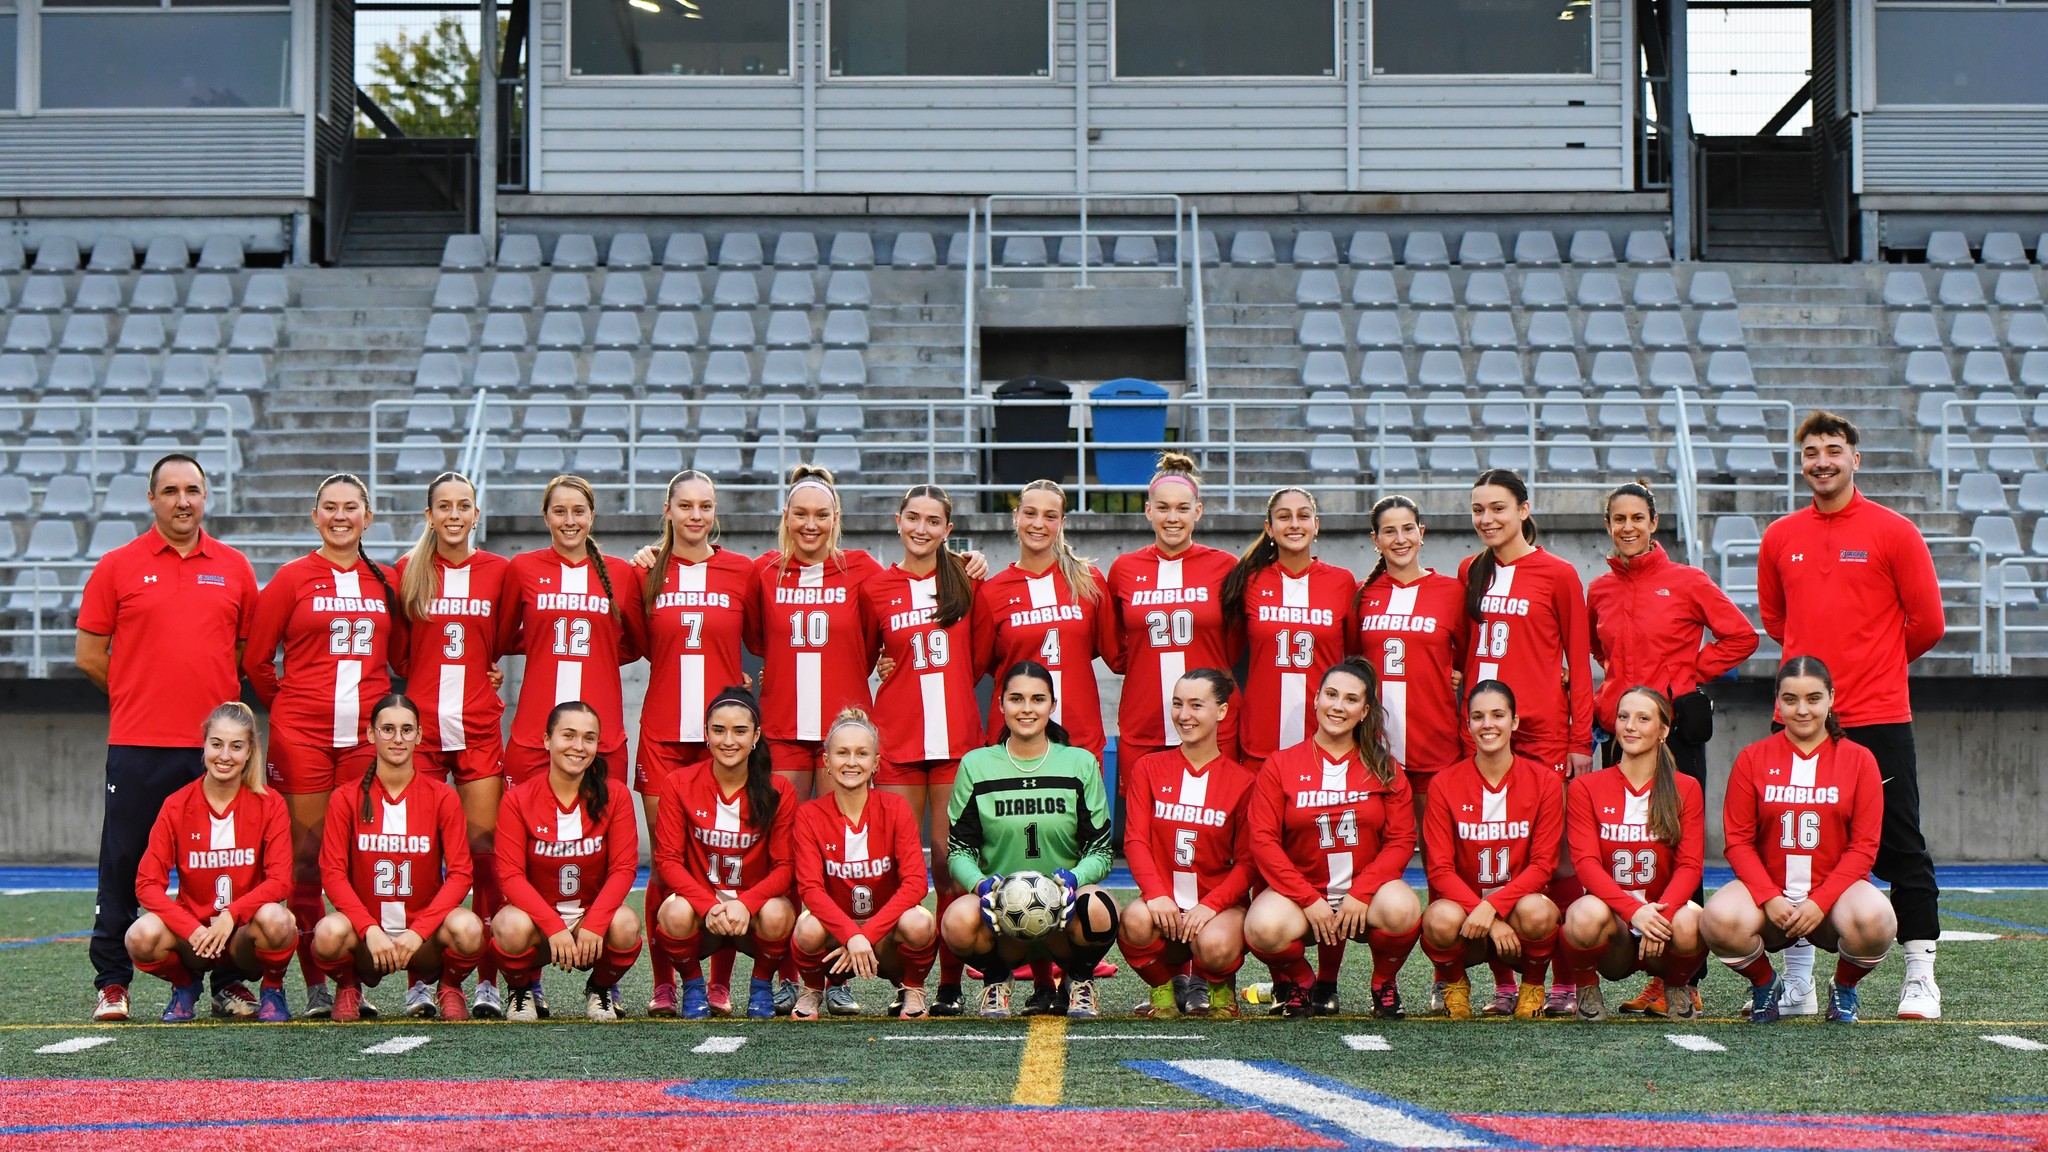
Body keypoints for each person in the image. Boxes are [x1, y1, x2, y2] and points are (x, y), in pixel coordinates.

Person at [1757, 411, 1944, 1020]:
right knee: (1794, 850)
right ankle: (1799, 981)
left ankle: (1920, 977)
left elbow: (1929, 625)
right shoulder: (1780, 536)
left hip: (1879, 716)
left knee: (1902, 844)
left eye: (1833, 450)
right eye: (1810, 451)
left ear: (1854, 459)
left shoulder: (1895, 532)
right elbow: (1780, 624)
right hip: (1802, 722)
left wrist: (1875, 665)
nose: (1821, 461)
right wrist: (1813, 692)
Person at [77, 453, 260, 1023]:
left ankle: (228, 981)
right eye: (172, 490)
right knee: (123, 862)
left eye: (194, 490)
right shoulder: (117, 566)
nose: (184, 500)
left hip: (216, 752)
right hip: (138, 744)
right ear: (151, 499)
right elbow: (89, 655)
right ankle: (112, 982)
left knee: (225, 865)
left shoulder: (234, 567)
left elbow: (241, 654)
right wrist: (140, 693)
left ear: (206, 497)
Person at [1585, 481, 1755, 1017]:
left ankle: (1683, 975)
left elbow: (1741, 636)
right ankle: (1642, 966)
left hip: (1674, 734)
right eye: (1618, 519)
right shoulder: (1600, 590)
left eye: (1638, 517)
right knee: (1626, 850)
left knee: (1677, 851)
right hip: (1619, 735)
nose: (1628, 527)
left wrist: (1685, 676)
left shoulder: (1687, 581)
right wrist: (1609, 698)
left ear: (1655, 523)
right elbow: (1597, 648)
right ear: (1609, 526)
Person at [243, 473, 402, 1017]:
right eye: (329, 507)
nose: (340, 516)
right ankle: (314, 985)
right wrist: (290, 705)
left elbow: (403, 658)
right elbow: (257, 661)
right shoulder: (290, 579)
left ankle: (351, 980)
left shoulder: (387, 581)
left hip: (365, 739)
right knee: (306, 863)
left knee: (362, 860)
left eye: (351, 507)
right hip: (303, 739)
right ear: (315, 517)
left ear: (368, 516)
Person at [1458, 469, 1591, 1016]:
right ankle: (1505, 985)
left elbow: (1578, 665)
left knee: (1555, 864)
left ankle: (1561, 983)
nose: (1487, 519)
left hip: (1542, 736)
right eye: (1478, 510)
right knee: (1492, 856)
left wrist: (1580, 738)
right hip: (1483, 734)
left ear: (1524, 509)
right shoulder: (1470, 569)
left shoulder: (1558, 575)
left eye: (1498, 508)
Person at [1702, 657, 1896, 1024]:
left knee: (1878, 920)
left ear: (1831, 699)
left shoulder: (1859, 760)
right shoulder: (1753, 757)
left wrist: (1820, 901)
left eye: (1813, 698)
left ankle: (1843, 987)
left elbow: (1865, 846)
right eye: (1790, 699)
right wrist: (1769, 897)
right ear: (1778, 702)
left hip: (1834, 898)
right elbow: (1738, 842)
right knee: (1718, 918)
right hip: (1771, 897)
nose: (1802, 709)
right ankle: (1765, 984)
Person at [632, 470, 760, 1017]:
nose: (695, 516)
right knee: (668, 865)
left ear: (716, 512)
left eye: (705, 505)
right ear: (667, 509)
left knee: (729, 859)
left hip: (724, 739)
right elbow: (636, 644)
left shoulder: (743, 571)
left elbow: (762, 637)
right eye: (684, 505)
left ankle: (721, 982)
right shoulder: (644, 572)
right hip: (663, 736)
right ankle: (668, 980)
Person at [391, 471, 514, 1018]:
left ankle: (485, 978)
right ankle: (422, 978)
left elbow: (505, 640)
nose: (455, 515)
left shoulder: (500, 573)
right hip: (421, 734)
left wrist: (485, 676)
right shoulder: (407, 573)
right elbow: (399, 655)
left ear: (476, 513)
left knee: (484, 857)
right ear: (430, 515)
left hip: (479, 729)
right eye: (444, 506)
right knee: (421, 856)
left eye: (464, 505)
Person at [1244, 658, 1421, 1020]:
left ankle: (1383, 983)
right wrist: (1307, 898)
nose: (1338, 706)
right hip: (1303, 896)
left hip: (1365, 896)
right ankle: (1302, 981)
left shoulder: (1385, 768)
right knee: (1262, 927)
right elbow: (1263, 841)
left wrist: (1363, 891)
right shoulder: (1280, 765)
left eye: (1351, 699)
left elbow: (1402, 840)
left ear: (1364, 710)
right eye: (1331, 695)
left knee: (1404, 908)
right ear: (1316, 701)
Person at [941, 661, 1117, 1020]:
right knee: (955, 920)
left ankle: (1079, 978)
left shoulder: (1080, 763)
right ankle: (996, 977)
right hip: (1002, 917)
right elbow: (959, 850)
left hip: (1064, 916)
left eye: (1038, 699)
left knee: (1099, 906)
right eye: (1016, 699)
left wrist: (1073, 881)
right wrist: (981, 886)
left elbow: (1100, 851)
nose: (1026, 709)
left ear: (1052, 705)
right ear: (1001, 704)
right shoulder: (976, 765)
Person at [862, 484, 981, 1016]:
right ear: (898, 520)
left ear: (948, 530)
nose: (922, 529)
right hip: (898, 743)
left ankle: (951, 986)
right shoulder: (876, 586)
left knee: (950, 866)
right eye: (914, 518)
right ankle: (907, 982)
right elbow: (863, 656)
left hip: (956, 744)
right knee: (896, 869)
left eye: (934, 521)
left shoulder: (967, 580)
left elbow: (982, 658)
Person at [311, 695, 483, 1022]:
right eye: (387, 729)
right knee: (327, 933)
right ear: (370, 734)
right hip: (366, 938)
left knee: (469, 928)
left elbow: (461, 873)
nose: (398, 738)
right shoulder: (345, 797)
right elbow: (332, 873)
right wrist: (368, 929)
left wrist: (419, 930)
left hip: (424, 937)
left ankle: (449, 986)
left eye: (407, 730)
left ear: (419, 736)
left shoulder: (441, 796)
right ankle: (349, 986)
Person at [127, 703, 295, 1022]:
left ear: (249, 752)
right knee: (139, 936)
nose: (224, 756)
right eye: (216, 744)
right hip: (196, 939)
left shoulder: (269, 804)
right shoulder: (177, 805)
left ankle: (273, 989)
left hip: (243, 936)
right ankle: (185, 984)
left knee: (279, 920)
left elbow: (281, 881)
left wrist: (232, 915)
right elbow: (147, 884)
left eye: (236, 746)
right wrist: (190, 928)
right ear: (204, 746)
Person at [1558, 686, 1707, 1021]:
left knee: (1694, 919)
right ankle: (1586, 987)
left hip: (1662, 932)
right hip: (1615, 935)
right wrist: (1632, 912)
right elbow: (1586, 865)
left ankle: (1676, 985)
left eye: (1643, 718)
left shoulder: (1686, 788)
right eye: (1623, 716)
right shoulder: (1586, 787)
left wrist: (1660, 917)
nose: (1630, 726)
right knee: (1582, 912)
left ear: (1664, 731)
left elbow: (1690, 866)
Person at [650, 689, 799, 1020]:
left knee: (779, 912)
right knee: (673, 913)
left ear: (756, 735)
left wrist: (746, 903)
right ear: (706, 734)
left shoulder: (778, 789)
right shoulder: (679, 783)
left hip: (753, 914)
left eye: (740, 731)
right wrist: (708, 905)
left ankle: (761, 986)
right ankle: (692, 986)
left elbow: (785, 867)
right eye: (718, 730)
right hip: (702, 914)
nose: (728, 740)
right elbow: (667, 861)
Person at [1420, 681, 1564, 1021]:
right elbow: (1439, 869)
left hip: (1519, 916)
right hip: (1466, 918)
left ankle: (1531, 986)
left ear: (1514, 722)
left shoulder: (1543, 781)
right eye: (1478, 716)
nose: (1488, 725)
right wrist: (1483, 912)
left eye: (1498, 715)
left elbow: (1543, 865)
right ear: (1467, 724)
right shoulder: (1444, 783)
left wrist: (1496, 908)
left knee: (1540, 912)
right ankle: (1455, 984)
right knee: (1437, 918)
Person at [1116, 670, 1256, 1020]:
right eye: (1178, 705)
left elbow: (1249, 861)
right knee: (1133, 920)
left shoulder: (1243, 781)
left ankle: (1216, 982)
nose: (1183, 715)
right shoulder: (1149, 767)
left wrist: (1211, 906)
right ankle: (1164, 989)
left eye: (1196, 705)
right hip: (1166, 905)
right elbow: (1135, 840)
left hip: (1216, 910)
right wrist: (1156, 894)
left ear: (1222, 712)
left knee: (1214, 946)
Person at [491, 701, 643, 1021]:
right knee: (507, 925)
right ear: (547, 740)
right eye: (568, 735)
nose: (578, 746)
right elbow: (510, 875)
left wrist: (597, 923)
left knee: (627, 924)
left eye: (589, 738)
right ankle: (521, 991)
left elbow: (623, 868)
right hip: (538, 925)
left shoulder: (614, 795)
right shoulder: (518, 798)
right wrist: (552, 926)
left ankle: (600, 988)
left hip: (589, 924)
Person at [497, 476, 647, 786]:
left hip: (602, 734)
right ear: (546, 516)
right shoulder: (522, 568)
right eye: (559, 511)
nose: (569, 521)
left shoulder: (621, 572)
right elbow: (501, 637)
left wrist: (598, 655)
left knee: (602, 831)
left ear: (592, 516)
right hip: (534, 731)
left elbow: (637, 643)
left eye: (578, 511)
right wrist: (543, 643)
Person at [790, 709, 937, 1019]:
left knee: (920, 921)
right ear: (827, 762)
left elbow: (915, 883)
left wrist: (865, 935)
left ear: (876, 762)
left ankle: (912, 987)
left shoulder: (895, 807)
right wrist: (849, 934)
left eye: (861, 753)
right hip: (835, 941)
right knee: (806, 926)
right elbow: (811, 890)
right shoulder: (809, 815)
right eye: (842, 753)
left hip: (883, 941)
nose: (852, 762)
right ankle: (813, 988)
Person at [1107, 452, 1243, 769]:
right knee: (1142, 817)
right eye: (1163, 508)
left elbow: (1235, 645)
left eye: (1182, 508)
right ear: (1148, 511)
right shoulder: (1124, 568)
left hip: (1212, 726)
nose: (1173, 518)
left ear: (1198, 512)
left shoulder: (1225, 567)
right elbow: (1114, 646)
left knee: (1213, 816)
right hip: (1145, 724)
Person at [972, 479, 1116, 764]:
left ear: (1062, 522)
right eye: (1030, 513)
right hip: (1012, 742)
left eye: (1050, 516)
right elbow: (980, 665)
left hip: (1079, 739)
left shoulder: (1089, 582)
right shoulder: (991, 592)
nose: (1038, 523)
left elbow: (1109, 649)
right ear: (1016, 517)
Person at [1225, 487, 1358, 774]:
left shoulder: (1342, 582)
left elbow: (1356, 656)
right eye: (1284, 517)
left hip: (1326, 736)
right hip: (1260, 737)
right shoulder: (1248, 581)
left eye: (1303, 516)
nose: (1295, 524)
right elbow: (1227, 655)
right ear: (1269, 528)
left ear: (1316, 525)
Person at [1355, 494, 1469, 824]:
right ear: (1375, 540)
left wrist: (1452, 671)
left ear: (1422, 532)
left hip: (1434, 744)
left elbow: (1469, 655)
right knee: (1372, 856)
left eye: (1408, 529)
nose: (1400, 539)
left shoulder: (1452, 592)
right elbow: (1352, 663)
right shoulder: (1363, 594)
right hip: (1372, 747)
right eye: (1389, 531)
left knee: (1437, 855)